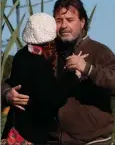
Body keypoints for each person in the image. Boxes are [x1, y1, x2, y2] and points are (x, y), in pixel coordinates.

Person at [2, 0, 115, 145]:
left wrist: (88, 69)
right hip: (48, 140)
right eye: (58, 20)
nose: (64, 25)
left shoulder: (98, 51)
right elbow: (11, 82)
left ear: (82, 22)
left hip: (92, 141)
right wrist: (7, 94)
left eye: (70, 20)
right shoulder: (42, 50)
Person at [2, 13, 82, 144]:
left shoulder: (20, 56)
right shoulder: (40, 63)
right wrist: (75, 76)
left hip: (13, 132)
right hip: (31, 136)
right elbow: (52, 98)